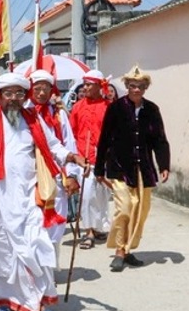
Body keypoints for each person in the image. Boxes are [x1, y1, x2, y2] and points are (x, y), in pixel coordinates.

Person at [0, 73, 88, 311]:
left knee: (35, 246)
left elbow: (54, 146)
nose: (13, 99)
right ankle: (5, 301)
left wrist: (72, 158)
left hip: (28, 196)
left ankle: (39, 304)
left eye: (19, 94)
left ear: (25, 97)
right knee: (0, 250)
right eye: (8, 94)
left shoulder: (34, 120)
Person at [94, 65, 170, 272]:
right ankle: (119, 250)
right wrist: (99, 168)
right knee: (125, 207)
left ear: (145, 88)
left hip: (143, 168)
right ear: (127, 86)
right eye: (133, 86)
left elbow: (160, 140)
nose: (136, 90)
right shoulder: (116, 108)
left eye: (141, 86)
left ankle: (127, 250)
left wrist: (164, 165)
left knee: (140, 211)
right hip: (119, 167)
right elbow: (104, 140)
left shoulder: (152, 110)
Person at [27, 70, 81, 268]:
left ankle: (48, 268)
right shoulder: (24, 113)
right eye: (37, 88)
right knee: (33, 224)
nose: (41, 93)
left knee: (54, 225)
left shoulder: (58, 114)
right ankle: (34, 268)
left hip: (56, 175)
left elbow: (68, 144)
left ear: (52, 90)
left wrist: (73, 174)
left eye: (45, 89)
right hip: (30, 177)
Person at [69, 70, 111, 249]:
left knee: (101, 196)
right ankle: (88, 231)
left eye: (88, 84)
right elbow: (71, 132)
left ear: (98, 86)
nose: (85, 87)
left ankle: (100, 227)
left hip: (103, 159)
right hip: (83, 159)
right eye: (84, 84)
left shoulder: (108, 107)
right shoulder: (78, 107)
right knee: (86, 196)